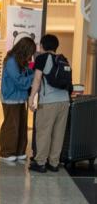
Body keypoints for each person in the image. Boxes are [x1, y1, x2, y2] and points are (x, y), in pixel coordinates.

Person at [29, 34, 72, 173]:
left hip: (48, 102)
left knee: (43, 131)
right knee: (58, 133)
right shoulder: (63, 59)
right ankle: (54, 163)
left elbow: (36, 79)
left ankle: (40, 162)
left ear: (42, 46)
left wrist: (31, 98)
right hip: (64, 101)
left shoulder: (41, 58)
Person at [0, 36, 37, 162]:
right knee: (11, 126)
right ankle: (7, 152)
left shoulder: (20, 60)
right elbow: (20, 81)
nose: (30, 56)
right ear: (24, 50)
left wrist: (33, 73)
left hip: (20, 98)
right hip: (11, 98)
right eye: (30, 52)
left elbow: (27, 73)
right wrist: (34, 77)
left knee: (21, 126)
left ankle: (19, 151)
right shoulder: (11, 61)